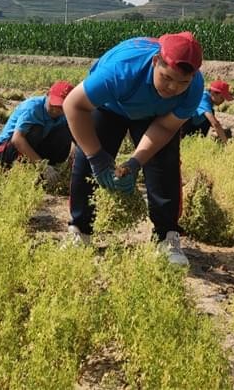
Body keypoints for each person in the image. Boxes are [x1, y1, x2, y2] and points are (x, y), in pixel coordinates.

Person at [63, 31, 205, 266]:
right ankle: (79, 230)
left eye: (182, 82)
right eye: (166, 77)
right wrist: (97, 157)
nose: (173, 87)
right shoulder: (121, 69)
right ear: (155, 61)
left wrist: (136, 161)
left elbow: (164, 127)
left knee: (165, 163)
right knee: (86, 160)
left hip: (154, 114)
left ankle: (166, 236)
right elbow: (73, 105)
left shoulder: (194, 88)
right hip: (111, 105)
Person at [0, 81, 74, 187]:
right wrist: (42, 165)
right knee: (36, 130)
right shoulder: (33, 108)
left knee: (66, 130)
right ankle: (19, 172)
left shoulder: (65, 113)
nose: (57, 109)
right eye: (54, 104)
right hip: (4, 152)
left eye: (61, 107)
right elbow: (17, 139)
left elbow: (78, 139)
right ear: (47, 94)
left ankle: (49, 172)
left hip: (32, 149)